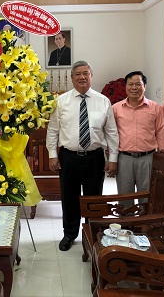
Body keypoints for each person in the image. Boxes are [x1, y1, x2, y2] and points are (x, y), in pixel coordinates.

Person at [46, 60, 119, 251]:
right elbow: (53, 129)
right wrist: (52, 154)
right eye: (77, 74)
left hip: (94, 157)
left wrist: (113, 159)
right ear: (72, 78)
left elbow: (111, 132)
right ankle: (69, 234)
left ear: (91, 76)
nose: (82, 77)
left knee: (93, 198)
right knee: (69, 197)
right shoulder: (61, 101)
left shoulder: (103, 101)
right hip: (68, 157)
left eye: (85, 73)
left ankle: (93, 234)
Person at [112, 71, 164, 208]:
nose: (134, 88)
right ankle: (126, 226)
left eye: (138, 84)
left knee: (147, 196)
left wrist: (162, 159)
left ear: (145, 86)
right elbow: (111, 134)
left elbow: (161, 132)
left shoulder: (155, 108)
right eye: (130, 84)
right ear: (125, 86)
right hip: (124, 158)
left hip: (148, 158)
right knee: (124, 198)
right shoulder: (116, 109)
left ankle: (146, 228)